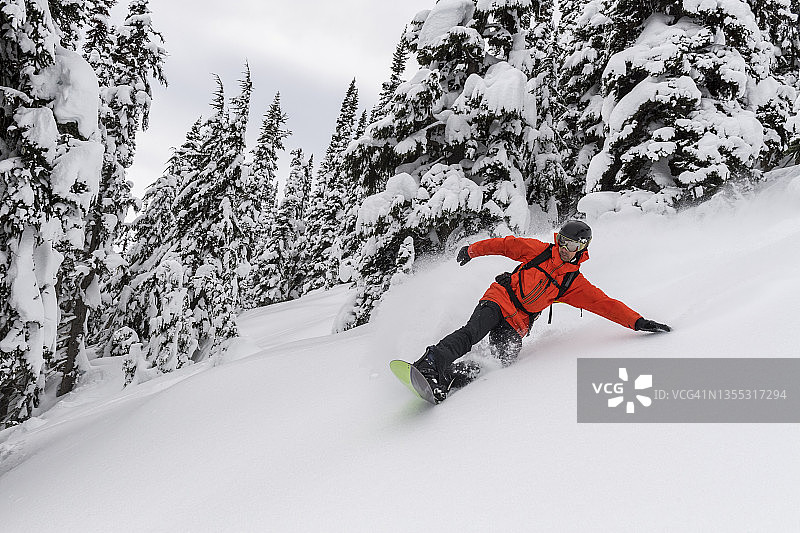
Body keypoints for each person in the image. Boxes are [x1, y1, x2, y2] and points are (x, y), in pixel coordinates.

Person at [412, 220, 671, 403]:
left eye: (571, 245)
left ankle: (450, 377)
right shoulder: (538, 251)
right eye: (562, 241)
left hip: (518, 322)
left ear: (582, 248)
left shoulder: (573, 284)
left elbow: (605, 304)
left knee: (500, 361)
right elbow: (505, 245)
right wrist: (472, 250)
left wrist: (637, 322)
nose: (564, 248)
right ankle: (431, 362)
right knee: (472, 332)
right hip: (500, 298)